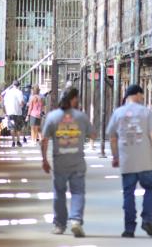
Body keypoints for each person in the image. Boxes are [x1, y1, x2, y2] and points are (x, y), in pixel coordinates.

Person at [106, 84, 152, 238]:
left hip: (127, 161)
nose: (143, 98)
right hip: (146, 160)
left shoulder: (118, 113)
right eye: (142, 95)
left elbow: (112, 138)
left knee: (128, 194)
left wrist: (115, 156)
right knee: (149, 190)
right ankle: (147, 219)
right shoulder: (147, 112)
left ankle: (129, 228)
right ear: (137, 95)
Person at [41, 86, 93, 237]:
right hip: (77, 162)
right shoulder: (81, 117)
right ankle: (76, 220)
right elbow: (93, 134)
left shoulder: (52, 117)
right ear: (74, 99)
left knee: (59, 193)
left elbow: (44, 140)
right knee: (77, 192)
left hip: (60, 163)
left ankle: (59, 225)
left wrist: (44, 160)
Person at [2, 80, 26, 146]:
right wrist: (23, 104)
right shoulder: (19, 92)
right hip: (18, 113)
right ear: (19, 86)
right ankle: (18, 141)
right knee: (18, 128)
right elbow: (21, 103)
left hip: (9, 112)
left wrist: (5, 112)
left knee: (12, 128)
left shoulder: (8, 92)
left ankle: (13, 142)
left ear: (12, 85)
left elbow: (4, 104)